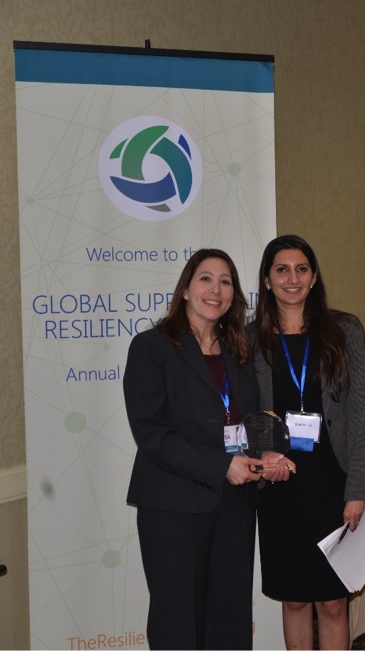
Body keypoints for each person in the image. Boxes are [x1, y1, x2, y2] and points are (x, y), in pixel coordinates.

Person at [124, 249, 263, 651]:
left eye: (225, 281)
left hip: (235, 505)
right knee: (178, 620)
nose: (215, 289)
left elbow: (247, 418)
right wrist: (221, 466)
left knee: (231, 617)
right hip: (174, 506)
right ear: (186, 288)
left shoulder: (239, 349)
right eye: (206, 278)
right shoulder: (152, 347)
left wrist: (263, 454)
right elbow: (151, 433)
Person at [248, 234, 365, 651]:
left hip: (331, 481)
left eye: (302, 269)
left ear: (314, 276)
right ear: (267, 280)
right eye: (281, 270)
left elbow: (360, 414)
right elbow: (243, 413)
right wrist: (260, 456)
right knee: (295, 599)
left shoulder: (345, 330)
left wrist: (358, 489)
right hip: (280, 485)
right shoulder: (250, 339)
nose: (292, 278)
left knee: (334, 602)